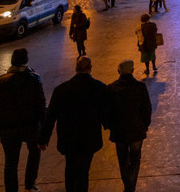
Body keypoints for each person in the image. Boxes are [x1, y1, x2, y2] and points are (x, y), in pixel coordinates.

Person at [39, 56, 110, 192]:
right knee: (84, 170)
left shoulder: (61, 90)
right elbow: (105, 111)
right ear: (90, 68)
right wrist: (108, 125)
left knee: (70, 167)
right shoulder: (99, 88)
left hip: (68, 138)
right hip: (89, 138)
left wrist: (43, 138)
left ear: (75, 68)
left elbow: (51, 116)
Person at [0, 48, 46, 192]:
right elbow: (41, 105)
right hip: (30, 126)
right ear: (26, 61)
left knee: (10, 163)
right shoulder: (34, 79)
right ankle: (30, 185)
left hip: (8, 129)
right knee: (34, 154)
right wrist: (43, 130)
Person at [105, 60, 153, 192]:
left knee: (122, 159)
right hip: (136, 130)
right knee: (135, 159)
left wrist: (109, 126)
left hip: (119, 132)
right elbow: (147, 108)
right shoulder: (140, 87)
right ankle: (131, 185)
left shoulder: (111, 89)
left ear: (118, 71)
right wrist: (145, 124)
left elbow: (106, 111)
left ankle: (128, 184)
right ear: (132, 71)